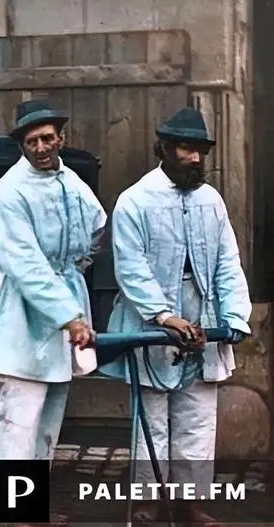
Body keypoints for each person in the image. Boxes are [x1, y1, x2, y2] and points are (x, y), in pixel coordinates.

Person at [101, 107, 252, 526]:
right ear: (164, 149)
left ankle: (191, 502)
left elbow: (227, 262)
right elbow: (131, 269)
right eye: (185, 148)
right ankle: (148, 501)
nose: (194, 158)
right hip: (152, 318)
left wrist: (234, 316)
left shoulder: (211, 201)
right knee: (152, 419)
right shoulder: (135, 201)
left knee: (198, 418)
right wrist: (164, 317)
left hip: (202, 313)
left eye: (200, 150)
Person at [0, 100, 107, 521]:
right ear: (22, 146)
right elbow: (25, 264)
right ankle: (12, 512)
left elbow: (97, 228)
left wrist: (73, 271)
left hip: (64, 314)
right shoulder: (10, 192)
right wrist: (69, 316)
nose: (41, 148)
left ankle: (31, 509)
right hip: (19, 316)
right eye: (32, 142)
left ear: (60, 138)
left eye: (48, 138)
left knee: (48, 424)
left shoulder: (72, 183)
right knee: (18, 421)